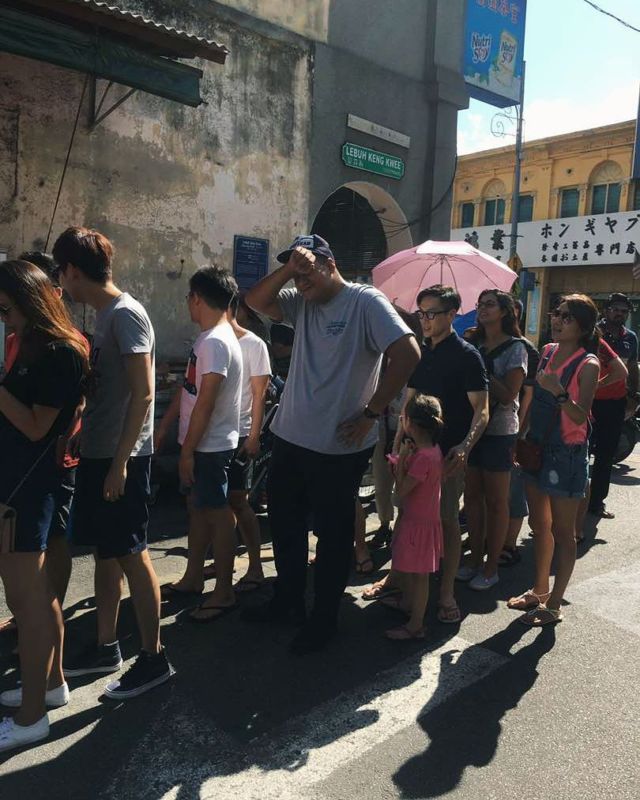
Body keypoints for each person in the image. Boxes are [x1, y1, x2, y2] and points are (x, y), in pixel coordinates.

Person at [245, 234, 420, 654]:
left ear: (329, 263)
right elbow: (254, 300)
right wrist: (290, 269)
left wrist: (371, 413)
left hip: (337, 447)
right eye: (295, 271)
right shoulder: (300, 301)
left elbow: (408, 352)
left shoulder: (365, 302)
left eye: (307, 269)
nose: (300, 280)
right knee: (285, 529)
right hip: (290, 437)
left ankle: (323, 620)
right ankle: (287, 601)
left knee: (332, 537)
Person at [53, 227, 174, 698]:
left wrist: (121, 462)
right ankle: (106, 646)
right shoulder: (104, 316)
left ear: (74, 271)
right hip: (101, 450)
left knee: (131, 553)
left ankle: (154, 656)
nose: (60, 283)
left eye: (61, 272)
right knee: (107, 552)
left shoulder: (127, 315)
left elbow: (144, 393)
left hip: (123, 457)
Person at [0, 260, 87, 751]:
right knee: (35, 597)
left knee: (27, 602)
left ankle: (32, 715)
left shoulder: (59, 352)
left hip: (27, 489)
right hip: (25, 486)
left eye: (7, 307)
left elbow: (36, 426)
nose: (4, 318)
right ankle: (50, 687)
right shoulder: (41, 347)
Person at [365, 285, 489, 622]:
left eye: (431, 313)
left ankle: (446, 592)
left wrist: (464, 447)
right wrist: (398, 438)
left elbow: (482, 410)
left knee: (446, 522)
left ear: (452, 315)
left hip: (446, 456)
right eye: (421, 313)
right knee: (407, 515)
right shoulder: (421, 352)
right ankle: (397, 578)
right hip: (412, 448)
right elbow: (411, 397)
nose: (425, 320)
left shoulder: (467, 356)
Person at [156, 266, 243, 621]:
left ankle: (224, 591)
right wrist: (168, 429)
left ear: (196, 298)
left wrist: (188, 451)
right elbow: (191, 393)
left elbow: (206, 402)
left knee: (217, 514)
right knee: (199, 510)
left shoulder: (216, 342)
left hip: (210, 446)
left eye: (188, 298)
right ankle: (193, 578)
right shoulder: (210, 338)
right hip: (202, 444)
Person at [508, 294, 600, 625]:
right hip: (537, 447)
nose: (557, 320)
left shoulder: (588, 363)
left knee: (564, 532)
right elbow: (532, 399)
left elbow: (579, 417)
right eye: (556, 313)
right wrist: (520, 435)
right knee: (538, 525)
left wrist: (559, 390)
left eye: (566, 316)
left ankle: (555, 604)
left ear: (584, 327)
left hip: (566, 454)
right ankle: (539, 589)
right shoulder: (547, 351)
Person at [462, 290, 527, 590]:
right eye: (480, 304)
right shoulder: (471, 340)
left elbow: (508, 394)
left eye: (489, 304)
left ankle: (491, 567)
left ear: (505, 311)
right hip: (471, 427)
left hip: (500, 431)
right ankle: (474, 559)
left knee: (497, 501)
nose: (482, 309)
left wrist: (481, 366)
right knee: (472, 498)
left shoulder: (516, 348)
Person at [383, 394, 444, 640]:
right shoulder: (433, 451)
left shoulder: (421, 458)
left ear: (411, 424)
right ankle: (408, 605)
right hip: (424, 520)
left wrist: (401, 463)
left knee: (420, 576)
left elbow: (401, 491)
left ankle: (416, 624)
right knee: (414, 570)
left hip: (417, 523)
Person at [590, 293, 639, 518]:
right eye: (616, 309)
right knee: (578, 452)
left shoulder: (630, 338)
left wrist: (634, 396)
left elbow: (632, 368)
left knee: (606, 455)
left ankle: (596, 503)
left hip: (614, 403)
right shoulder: (592, 332)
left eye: (624, 311)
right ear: (607, 310)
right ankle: (568, 503)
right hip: (587, 401)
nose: (620, 313)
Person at [502, 298, 539, 566]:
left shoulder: (524, 349)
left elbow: (527, 396)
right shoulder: (480, 343)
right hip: (489, 428)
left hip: (515, 427)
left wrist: (519, 432)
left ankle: (510, 544)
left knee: (514, 489)